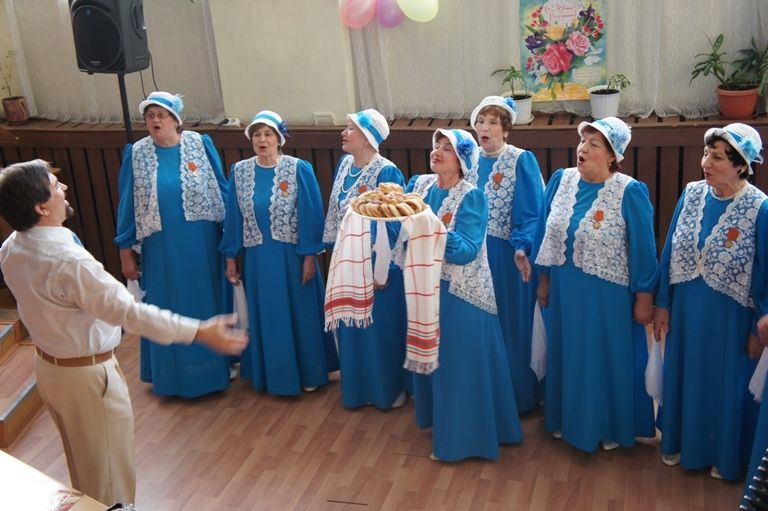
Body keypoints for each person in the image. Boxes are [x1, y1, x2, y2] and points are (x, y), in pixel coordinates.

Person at [0, 159, 247, 505]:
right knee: (108, 484)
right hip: (86, 378)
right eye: (54, 187)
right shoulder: (68, 262)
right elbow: (130, 313)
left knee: (84, 470)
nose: (64, 188)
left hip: (50, 369)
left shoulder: (12, 246)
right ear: (41, 207)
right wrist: (199, 332)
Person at [395, 128, 522, 461]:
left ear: (463, 160)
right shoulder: (420, 186)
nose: (437, 152)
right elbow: (401, 229)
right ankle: (444, 425)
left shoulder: (472, 197)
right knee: (437, 363)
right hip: (426, 288)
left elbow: (466, 251)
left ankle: (461, 442)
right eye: (436, 145)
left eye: (447, 148)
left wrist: (431, 226)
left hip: (462, 294)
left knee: (456, 367)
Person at [533, 117, 657, 452]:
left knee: (601, 358)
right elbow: (545, 233)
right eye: (582, 141)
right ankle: (566, 418)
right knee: (569, 353)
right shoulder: (561, 180)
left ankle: (607, 425)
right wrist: (543, 279)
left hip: (606, 297)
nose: (583, 148)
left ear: (612, 155)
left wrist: (644, 297)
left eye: (594, 144)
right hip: (565, 290)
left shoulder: (630, 192)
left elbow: (644, 248)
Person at [654, 123, 768, 481]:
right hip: (687, 311)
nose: (705, 163)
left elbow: (766, 271)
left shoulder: (760, 208)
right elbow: (670, 249)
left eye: (717, 157)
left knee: (724, 383)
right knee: (684, 375)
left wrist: (757, 327)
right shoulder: (691, 194)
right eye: (706, 154)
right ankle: (680, 442)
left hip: (730, 317)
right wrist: (662, 303)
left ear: (741, 165)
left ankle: (724, 454)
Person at [114, 91, 232, 398]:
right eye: (149, 116)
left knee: (203, 304)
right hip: (161, 246)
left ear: (175, 119)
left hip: (202, 244)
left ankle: (212, 372)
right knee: (165, 305)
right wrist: (125, 251)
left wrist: (232, 239)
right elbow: (127, 204)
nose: (155, 120)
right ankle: (171, 377)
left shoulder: (200, 144)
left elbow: (221, 190)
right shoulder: (136, 154)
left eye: (161, 115)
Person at [219, 110, 336, 395]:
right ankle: (272, 375)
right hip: (258, 260)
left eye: (268, 134)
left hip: (292, 258)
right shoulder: (240, 172)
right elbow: (233, 217)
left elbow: (311, 215)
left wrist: (310, 257)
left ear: (279, 138)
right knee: (268, 316)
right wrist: (231, 256)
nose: (262, 140)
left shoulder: (298, 169)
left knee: (300, 314)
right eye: (257, 134)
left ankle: (308, 372)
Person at [322, 109, 409, 409]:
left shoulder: (387, 172)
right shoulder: (345, 164)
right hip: (348, 259)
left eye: (351, 128)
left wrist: (381, 268)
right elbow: (337, 213)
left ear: (368, 137)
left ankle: (388, 391)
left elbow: (394, 224)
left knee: (379, 329)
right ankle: (358, 390)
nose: (343, 133)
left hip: (376, 263)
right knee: (353, 325)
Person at [468, 95, 544, 412]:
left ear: (506, 129)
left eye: (492, 122)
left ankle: (517, 397)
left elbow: (533, 212)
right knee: (479, 325)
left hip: (507, 257)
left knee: (510, 324)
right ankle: (485, 394)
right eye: (480, 121)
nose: (484, 128)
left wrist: (523, 247)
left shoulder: (520, 160)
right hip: (472, 255)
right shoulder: (468, 158)